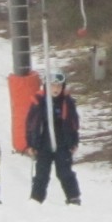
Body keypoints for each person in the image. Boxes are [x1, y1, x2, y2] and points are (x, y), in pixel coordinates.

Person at [25, 73, 82, 205]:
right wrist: (31, 144)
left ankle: (73, 197)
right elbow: (31, 124)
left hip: (62, 142)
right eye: (53, 86)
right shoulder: (39, 101)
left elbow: (73, 123)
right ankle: (36, 199)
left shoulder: (67, 102)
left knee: (64, 172)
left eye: (59, 86)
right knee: (42, 174)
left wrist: (74, 142)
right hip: (43, 143)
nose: (56, 89)